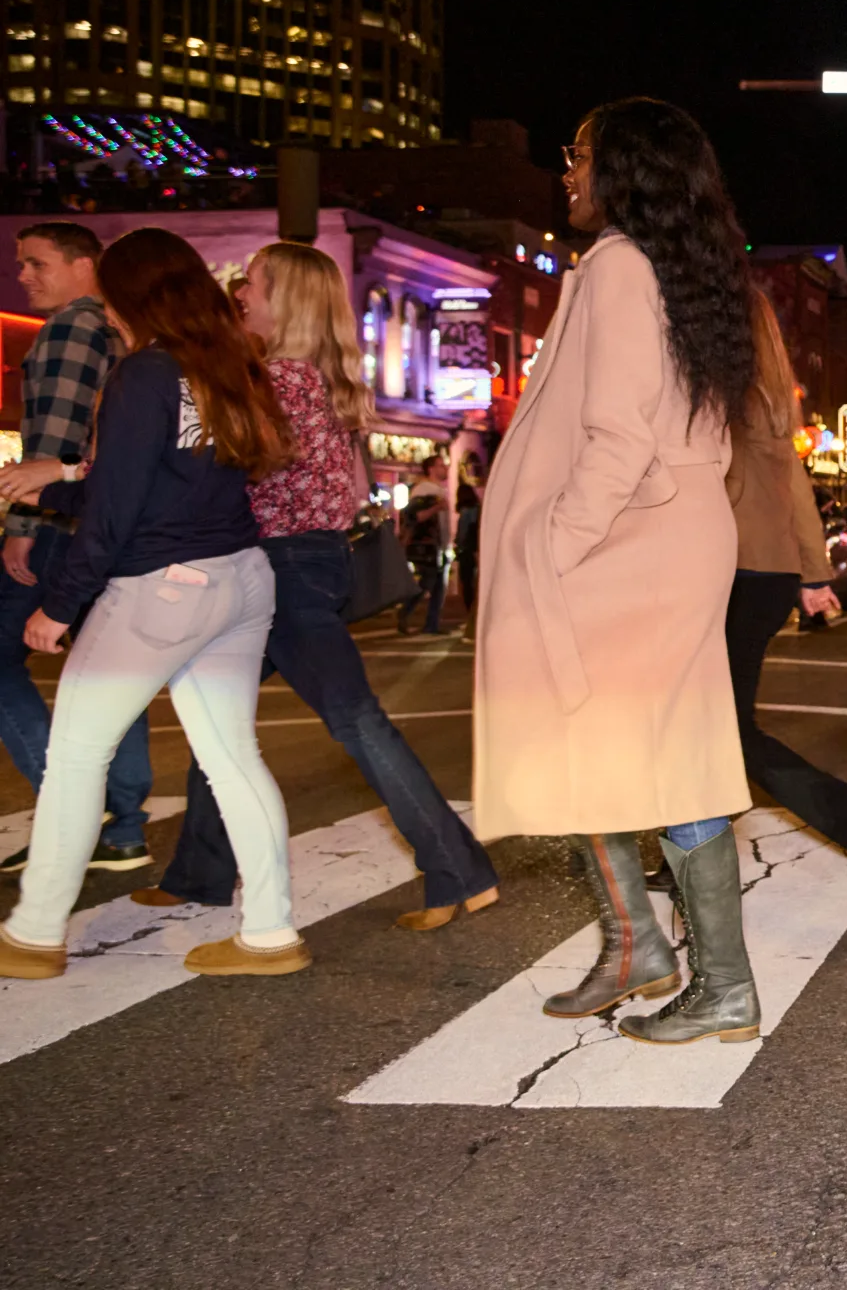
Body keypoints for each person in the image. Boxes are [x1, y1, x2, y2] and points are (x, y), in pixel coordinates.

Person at [473, 98, 759, 1046]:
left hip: (634, 536)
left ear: (625, 168)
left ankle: (718, 983)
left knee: (656, 754)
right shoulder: (673, 267)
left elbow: (617, 437)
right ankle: (640, 944)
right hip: (665, 532)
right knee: (597, 739)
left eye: (581, 153)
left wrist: (549, 547)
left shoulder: (622, 267)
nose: (568, 169)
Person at [140, 242, 501, 929]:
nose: (240, 291)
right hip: (301, 564)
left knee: (354, 720)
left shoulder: (280, 380)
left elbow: (231, 470)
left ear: (288, 300)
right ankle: (198, 873)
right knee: (220, 718)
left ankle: (458, 870)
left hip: (284, 570)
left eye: (255, 282)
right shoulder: (317, 380)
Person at [0, 228, 298, 981]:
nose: (103, 311)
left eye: (109, 296)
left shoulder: (144, 373)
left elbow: (119, 511)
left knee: (74, 758)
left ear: (131, 295)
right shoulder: (231, 368)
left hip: (160, 590)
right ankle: (269, 933)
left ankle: (34, 933)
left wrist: (59, 608)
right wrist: (61, 480)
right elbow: (174, 477)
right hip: (239, 577)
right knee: (234, 759)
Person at [716, 282, 847, 889]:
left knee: (719, 730)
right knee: (710, 729)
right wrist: (813, 574)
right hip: (763, 578)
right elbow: (797, 488)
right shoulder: (770, 402)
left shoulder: (714, 399)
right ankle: (693, 854)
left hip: (730, 577)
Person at [0, 222, 153, 874]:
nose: (23, 276)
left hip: (62, 525)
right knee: (107, 669)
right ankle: (126, 823)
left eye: (36, 263)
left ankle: (72, 809)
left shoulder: (68, 328)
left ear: (84, 263)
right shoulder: (124, 332)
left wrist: (22, 528)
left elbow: (56, 439)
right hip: (113, 527)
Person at [394, 455, 452, 635]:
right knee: (428, 581)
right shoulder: (424, 490)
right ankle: (405, 611)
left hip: (439, 545)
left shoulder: (437, 490)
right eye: (441, 465)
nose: (445, 469)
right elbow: (415, 516)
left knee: (438, 586)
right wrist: (436, 508)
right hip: (425, 545)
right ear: (431, 469)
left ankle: (432, 624)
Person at [453, 457, 483, 612]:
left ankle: (470, 610)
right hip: (479, 549)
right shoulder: (479, 509)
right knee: (478, 581)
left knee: (467, 581)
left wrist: (458, 545)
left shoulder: (466, 512)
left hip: (468, 551)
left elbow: (463, 533)